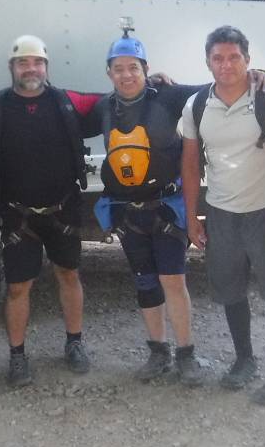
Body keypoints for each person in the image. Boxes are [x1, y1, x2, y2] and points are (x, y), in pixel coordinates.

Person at [85, 33, 240, 386]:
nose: (126, 75)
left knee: (173, 280)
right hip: (128, 213)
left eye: (133, 68)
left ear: (146, 69)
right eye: (119, 69)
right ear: (109, 73)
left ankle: (186, 354)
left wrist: (258, 77)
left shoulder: (169, 97)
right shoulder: (103, 108)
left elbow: (216, 86)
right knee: (145, 283)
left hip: (166, 210)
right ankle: (158, 352)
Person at [180, 25, 265, 405]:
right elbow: (188, 165)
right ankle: (244, 360)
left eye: (234, 57)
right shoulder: (197, 105)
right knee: (231, 292)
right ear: (207, 62)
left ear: (248, 61)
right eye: (218, 58)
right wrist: (192, 217)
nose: (226, 65)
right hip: (221, 215)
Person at [0, 35, 92, 387]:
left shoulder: (65, 102)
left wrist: (159, 81)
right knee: (17, 288)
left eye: (37, 62)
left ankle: (74, 343)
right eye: (23, 62)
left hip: (63, 210)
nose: (31, 68)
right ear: (12, 68)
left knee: (69, 275)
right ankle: (17, 356)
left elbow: (120, 99)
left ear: (46, 67)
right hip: (17, 215)